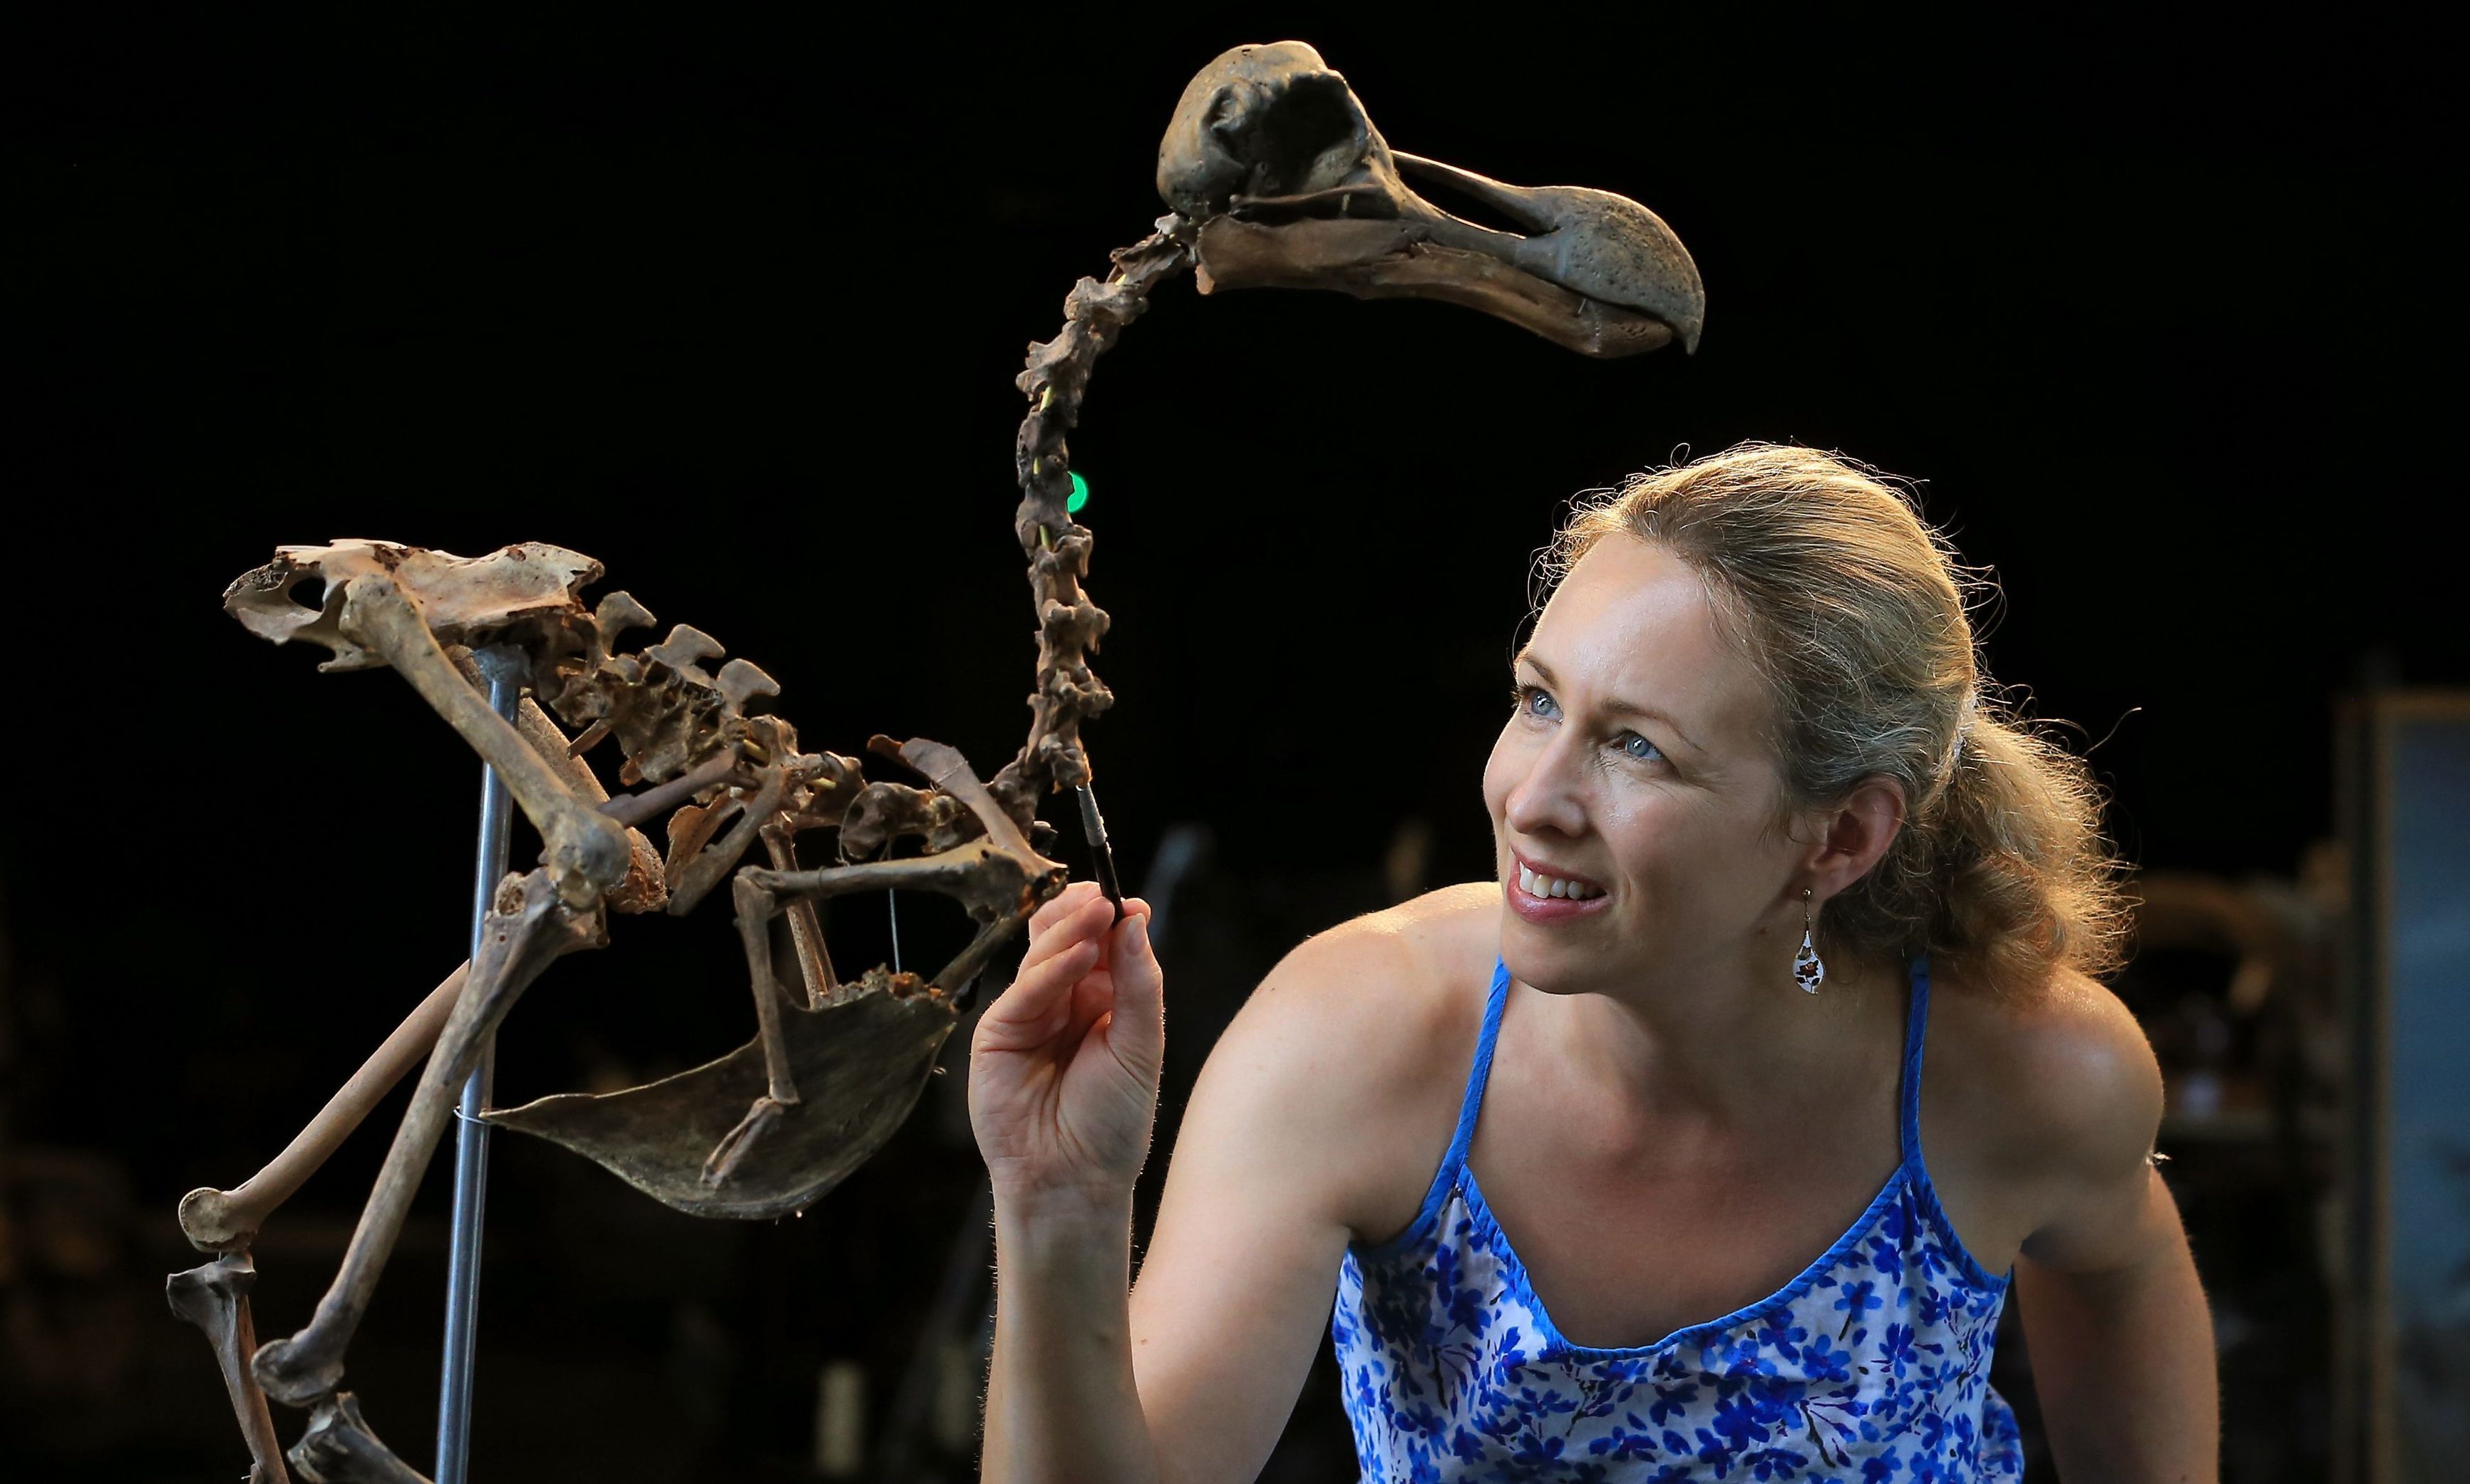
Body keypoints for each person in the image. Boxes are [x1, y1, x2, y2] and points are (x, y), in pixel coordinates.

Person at [969, 445, 2217, 1482]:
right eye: (1536, 701)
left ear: (1836, 835)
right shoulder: (1360, 1035)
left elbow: (2121, 1255)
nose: (1533, 798)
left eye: (1637, 749)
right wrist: (1060, 1203)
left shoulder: (2026, 1069)